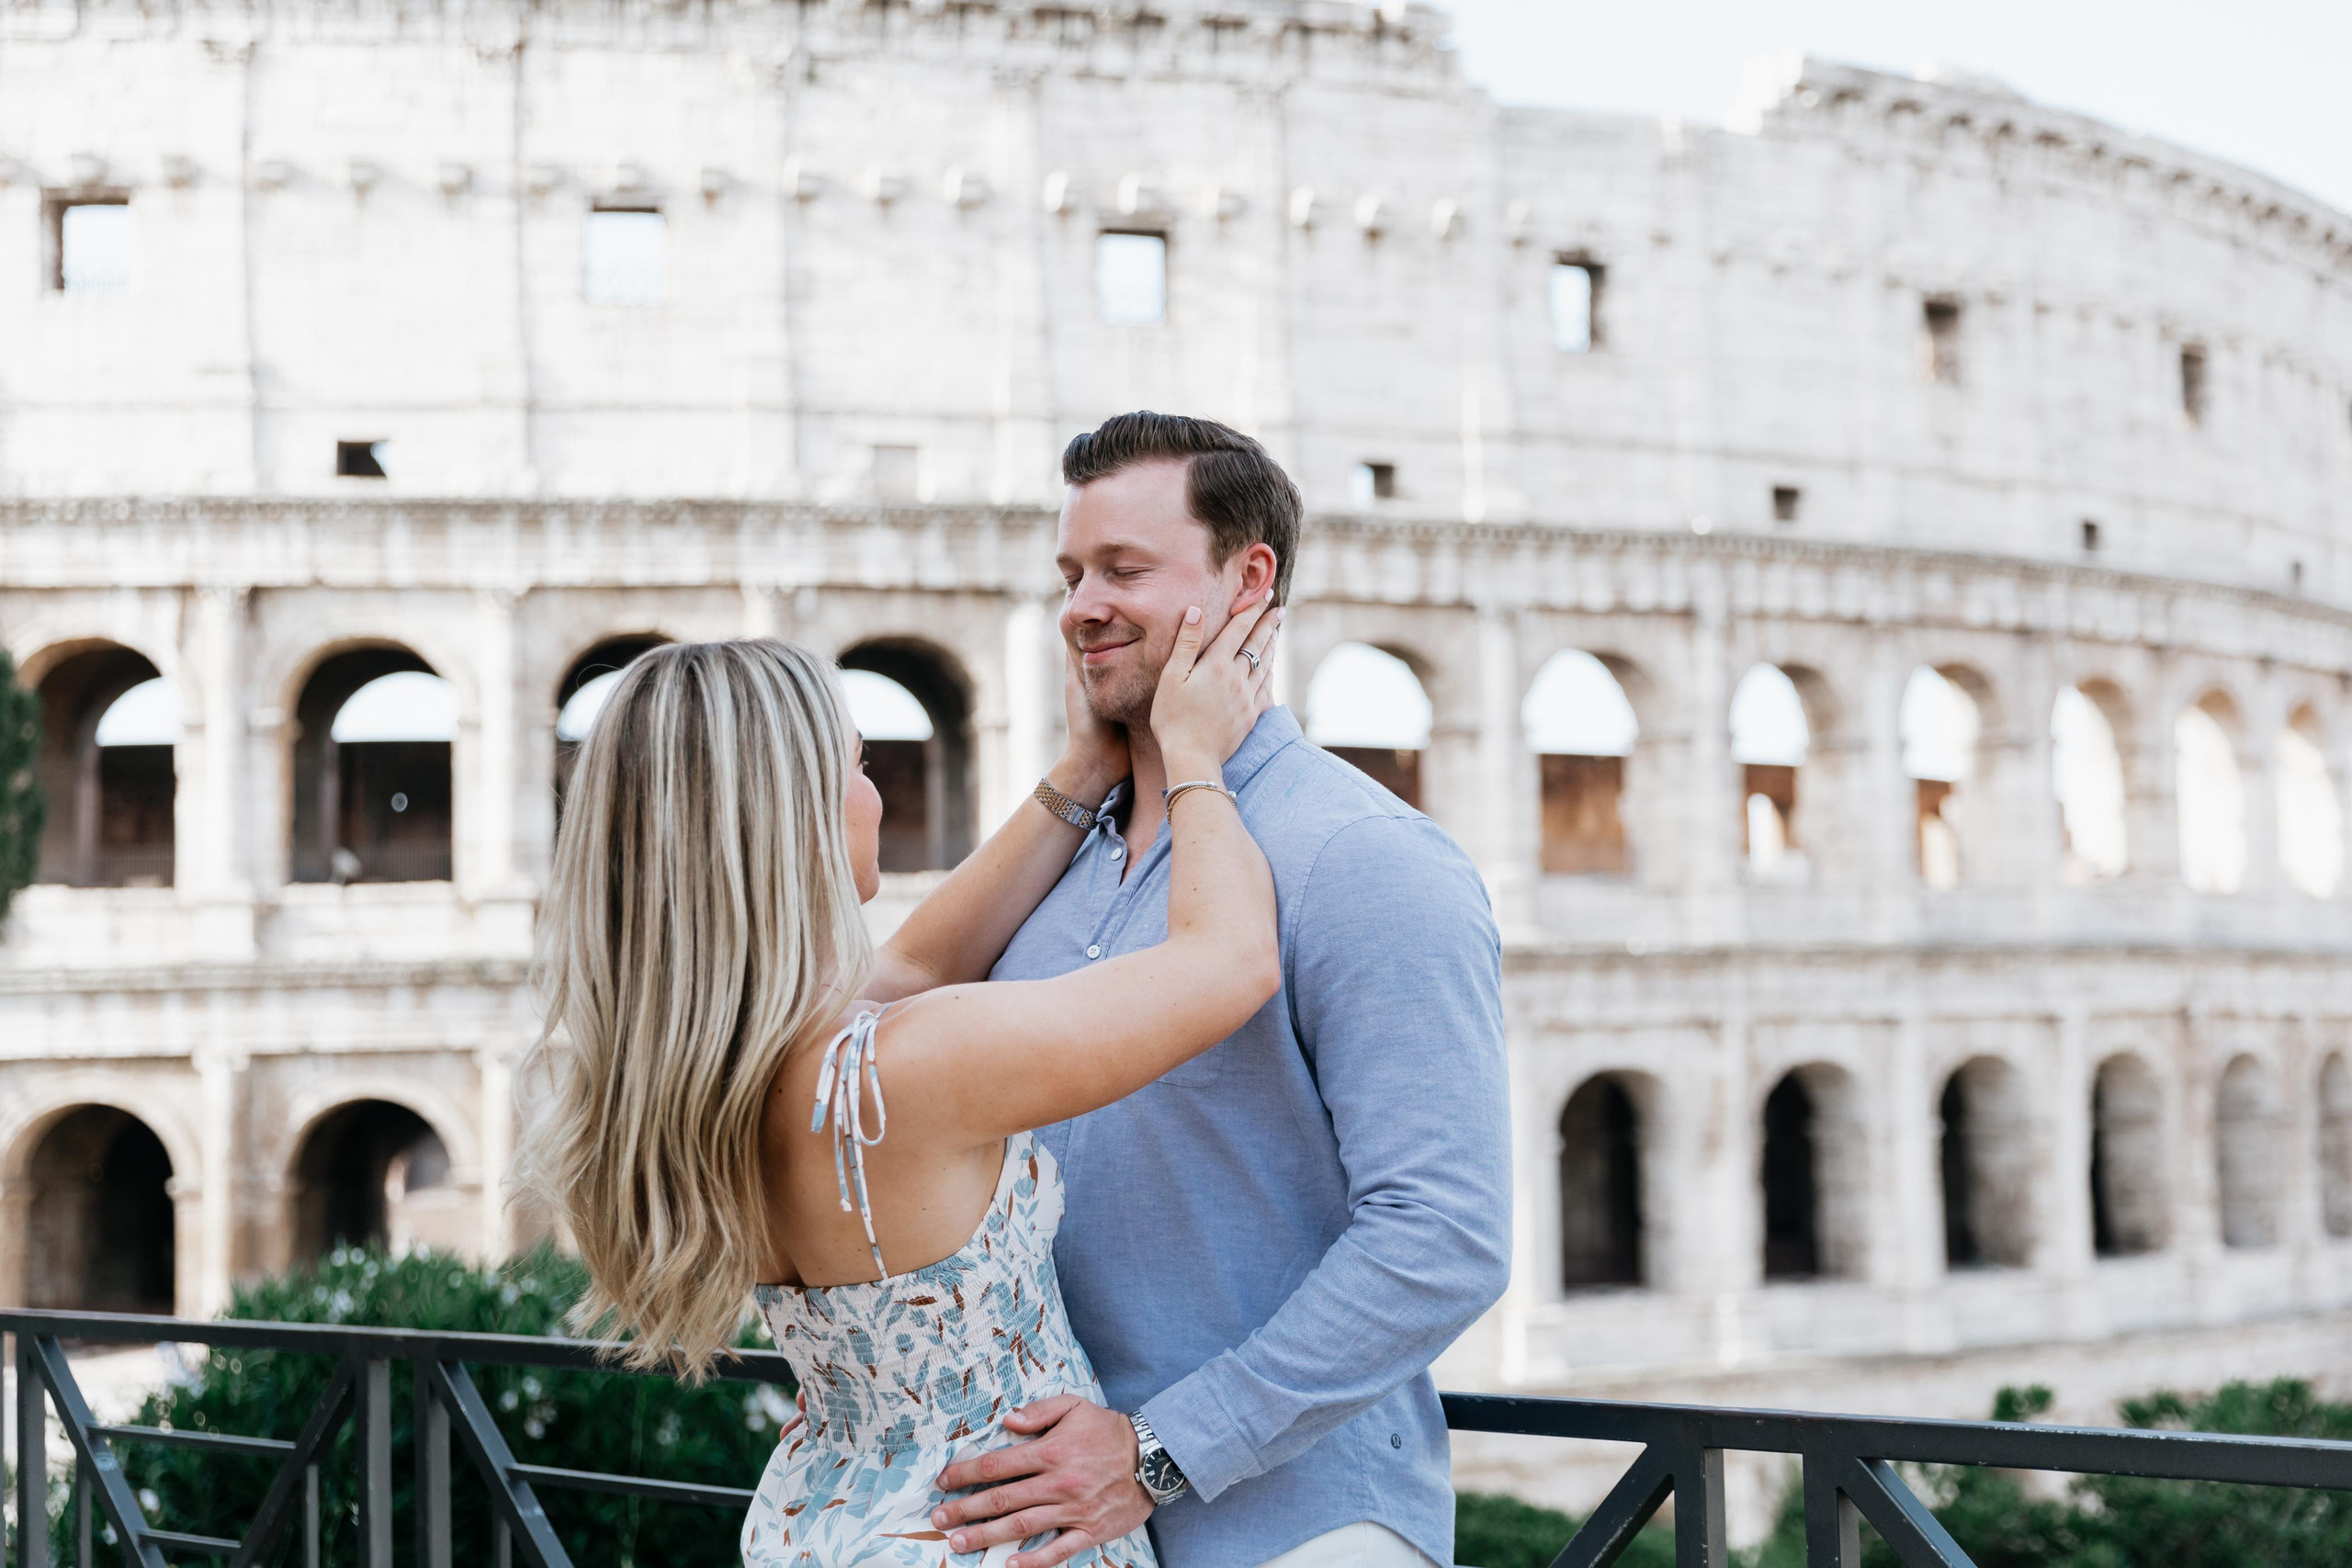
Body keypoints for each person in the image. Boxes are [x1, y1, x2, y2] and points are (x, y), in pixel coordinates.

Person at [523, 602, 1282, 1568]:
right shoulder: (902, 1072)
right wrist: (1194, 756)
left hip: (830, 1525)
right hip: (984, 1538)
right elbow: (1228, 963)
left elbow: (921, 964)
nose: (874, 795)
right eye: (858, 766)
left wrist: (1086, 769)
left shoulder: (721, 1062)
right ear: (792, 814)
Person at [928, 413, 1513, 1568]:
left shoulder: (1365, 860)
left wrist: (1156, 1452)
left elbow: (1443, 1238)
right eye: (1071, 573)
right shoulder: (1063, 859)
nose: (1079, 607)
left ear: (1249, 582)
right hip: (1046, 1526)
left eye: (1124, 571)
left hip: (1292, 1529)